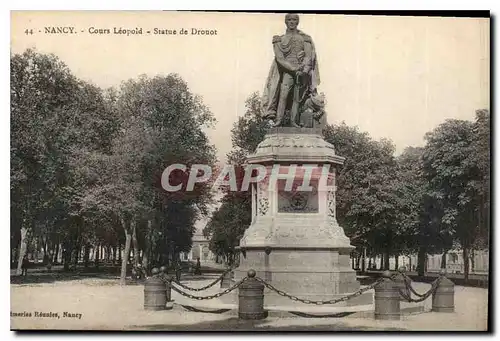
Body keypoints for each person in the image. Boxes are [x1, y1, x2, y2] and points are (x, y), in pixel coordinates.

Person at [261, 13, 320, 127]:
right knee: (283, 96)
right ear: (286, 22)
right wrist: (294, 69)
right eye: (289, 20)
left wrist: (304, 70)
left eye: (294, 20)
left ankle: (293, 122)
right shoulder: (279, 39)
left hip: (301, 72)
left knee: (297, 98)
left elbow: (308, 57)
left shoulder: (305, 39)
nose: (292, 22)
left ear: (297, 22)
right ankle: (278, 121)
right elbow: (280, 58)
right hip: (288, 72)